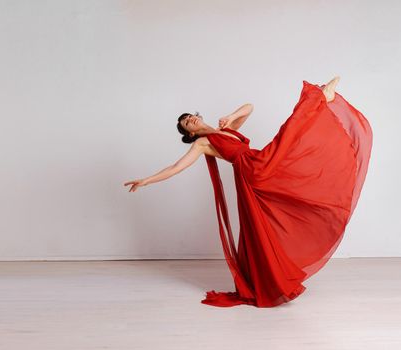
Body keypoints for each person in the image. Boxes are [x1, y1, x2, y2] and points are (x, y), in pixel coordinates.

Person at [124, 77, 373, 307]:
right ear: (190, 133)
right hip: (252, 170)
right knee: (288, 138)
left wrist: (230, 115)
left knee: (288, 175)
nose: (193, 120)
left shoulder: (225, 127)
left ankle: (319, 101)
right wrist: (147, 180)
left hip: (257, 163)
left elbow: (249, 107)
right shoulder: (203, 143)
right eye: (188, 123)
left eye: (191, 116)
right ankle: (319, 99)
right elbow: (176, 167)